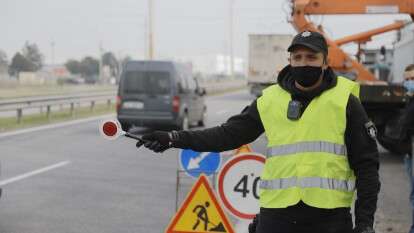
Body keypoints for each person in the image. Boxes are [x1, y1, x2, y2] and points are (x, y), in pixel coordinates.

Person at [136, 31, 380, 233]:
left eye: (311, 57)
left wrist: (365, 224)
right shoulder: (269, 100)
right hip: (277, 218)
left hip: (330, 220)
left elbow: (367, 166)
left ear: (325, 62)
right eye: (297, 57)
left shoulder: (344, 101)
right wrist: (174, 138)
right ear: (290, 61)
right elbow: (227, 135)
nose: (304, 63)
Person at [401, 64, 414, 233]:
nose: (409, 82)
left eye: (412, 79)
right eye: (407, 79)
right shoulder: (410, 99)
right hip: (409, 153)